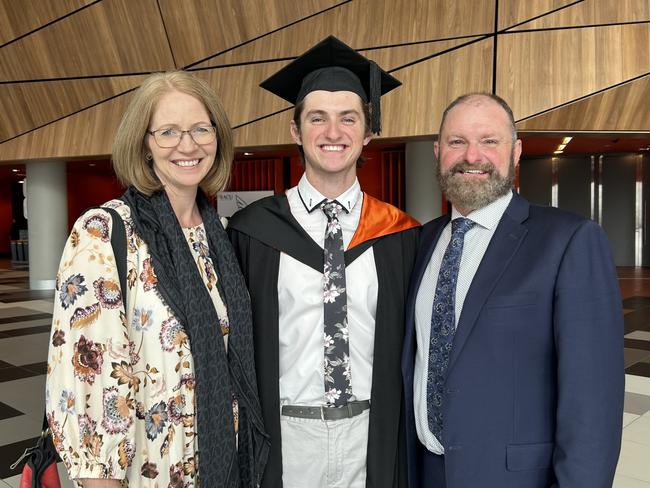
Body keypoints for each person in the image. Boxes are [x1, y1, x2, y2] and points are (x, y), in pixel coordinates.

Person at [46, 71, 268, 487]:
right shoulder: (105, 234)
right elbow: (88, 387)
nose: (188, 145)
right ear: (144, 144)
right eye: (168, 131)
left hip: (224, 470)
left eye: (201, 129)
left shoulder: (218, 235)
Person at [402, 93, 624, 488]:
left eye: (490, 141)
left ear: (516, 151)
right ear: (438, 152)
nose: (473, 156)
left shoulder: (568, 240)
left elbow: (593, 403)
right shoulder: (423, 241)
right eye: (457, 142)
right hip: (427, 471)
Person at [227, 36, 420, 488]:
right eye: (318, 118)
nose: (333, 133)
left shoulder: (400, 234)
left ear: (368, 131)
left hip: (371, 432)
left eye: (348, 118)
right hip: (285, 433)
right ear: (296, 131)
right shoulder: (251, 231)